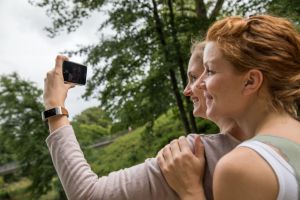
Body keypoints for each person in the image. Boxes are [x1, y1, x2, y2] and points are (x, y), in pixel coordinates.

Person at [43, 41, 245, 200]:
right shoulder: (266, 144)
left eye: (195, 77)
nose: (187, 90)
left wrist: (54, 106)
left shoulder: (191, 155)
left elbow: (87, 195)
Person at [157, 15, 300, 200]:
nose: (201, 84)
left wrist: (190, 191)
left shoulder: (240, 168)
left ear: (250, 81)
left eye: (209, 71)